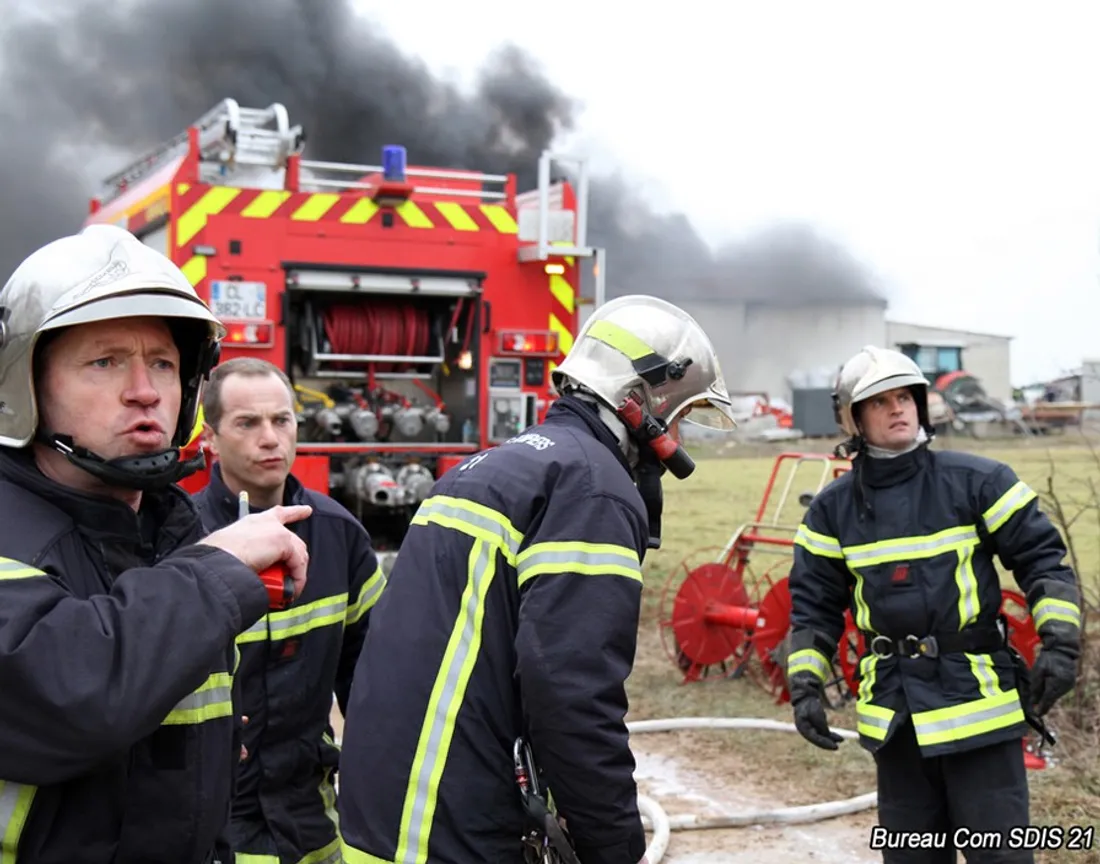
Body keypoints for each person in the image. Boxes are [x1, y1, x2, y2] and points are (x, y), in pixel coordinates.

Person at [336, 294, 738, 864]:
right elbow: (573, 695)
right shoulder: (591, 489)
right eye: (679, 415)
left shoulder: (487, 468)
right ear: (642, 401)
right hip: (447, 827)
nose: (678, 436)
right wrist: (613, 845)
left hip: (381, 810)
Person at [0, 224, 313, 864]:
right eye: (105, 361)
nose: (144, 391)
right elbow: (68, 696)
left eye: (163, 364)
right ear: (24, 386)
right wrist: (216, 570)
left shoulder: (173, 531)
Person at [786, 345, 1081, 864]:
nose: (897, 409)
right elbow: (813, 606)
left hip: (979, 711)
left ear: (921, 406)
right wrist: (805, 684)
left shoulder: (979, 481)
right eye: (880, 402)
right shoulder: (832, 511)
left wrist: (1060, 645)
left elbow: (1043, 562)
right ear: (853, 419)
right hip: (896, 719)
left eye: (905, 397)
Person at [192, 356, 385, 864]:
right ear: (210, 438)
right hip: (211, 823)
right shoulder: (182, 541)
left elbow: (374, 684)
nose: (270, 438)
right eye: (247, 423)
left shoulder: (341, 536)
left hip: (310, 818)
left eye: (282, 420)